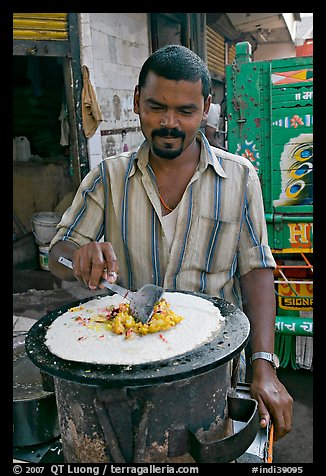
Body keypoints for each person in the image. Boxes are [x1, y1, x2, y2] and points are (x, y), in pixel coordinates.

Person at [48, 44, 293, 443]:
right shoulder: (107, 178)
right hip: (125, 373)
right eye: (156, 107)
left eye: (185, 111)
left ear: (207, 106)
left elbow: (256, 269)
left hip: (215, 374)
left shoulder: (240, 178)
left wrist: (263, 364)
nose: (169, 123)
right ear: (136, 101)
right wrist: (78, 255)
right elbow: (56, 254)